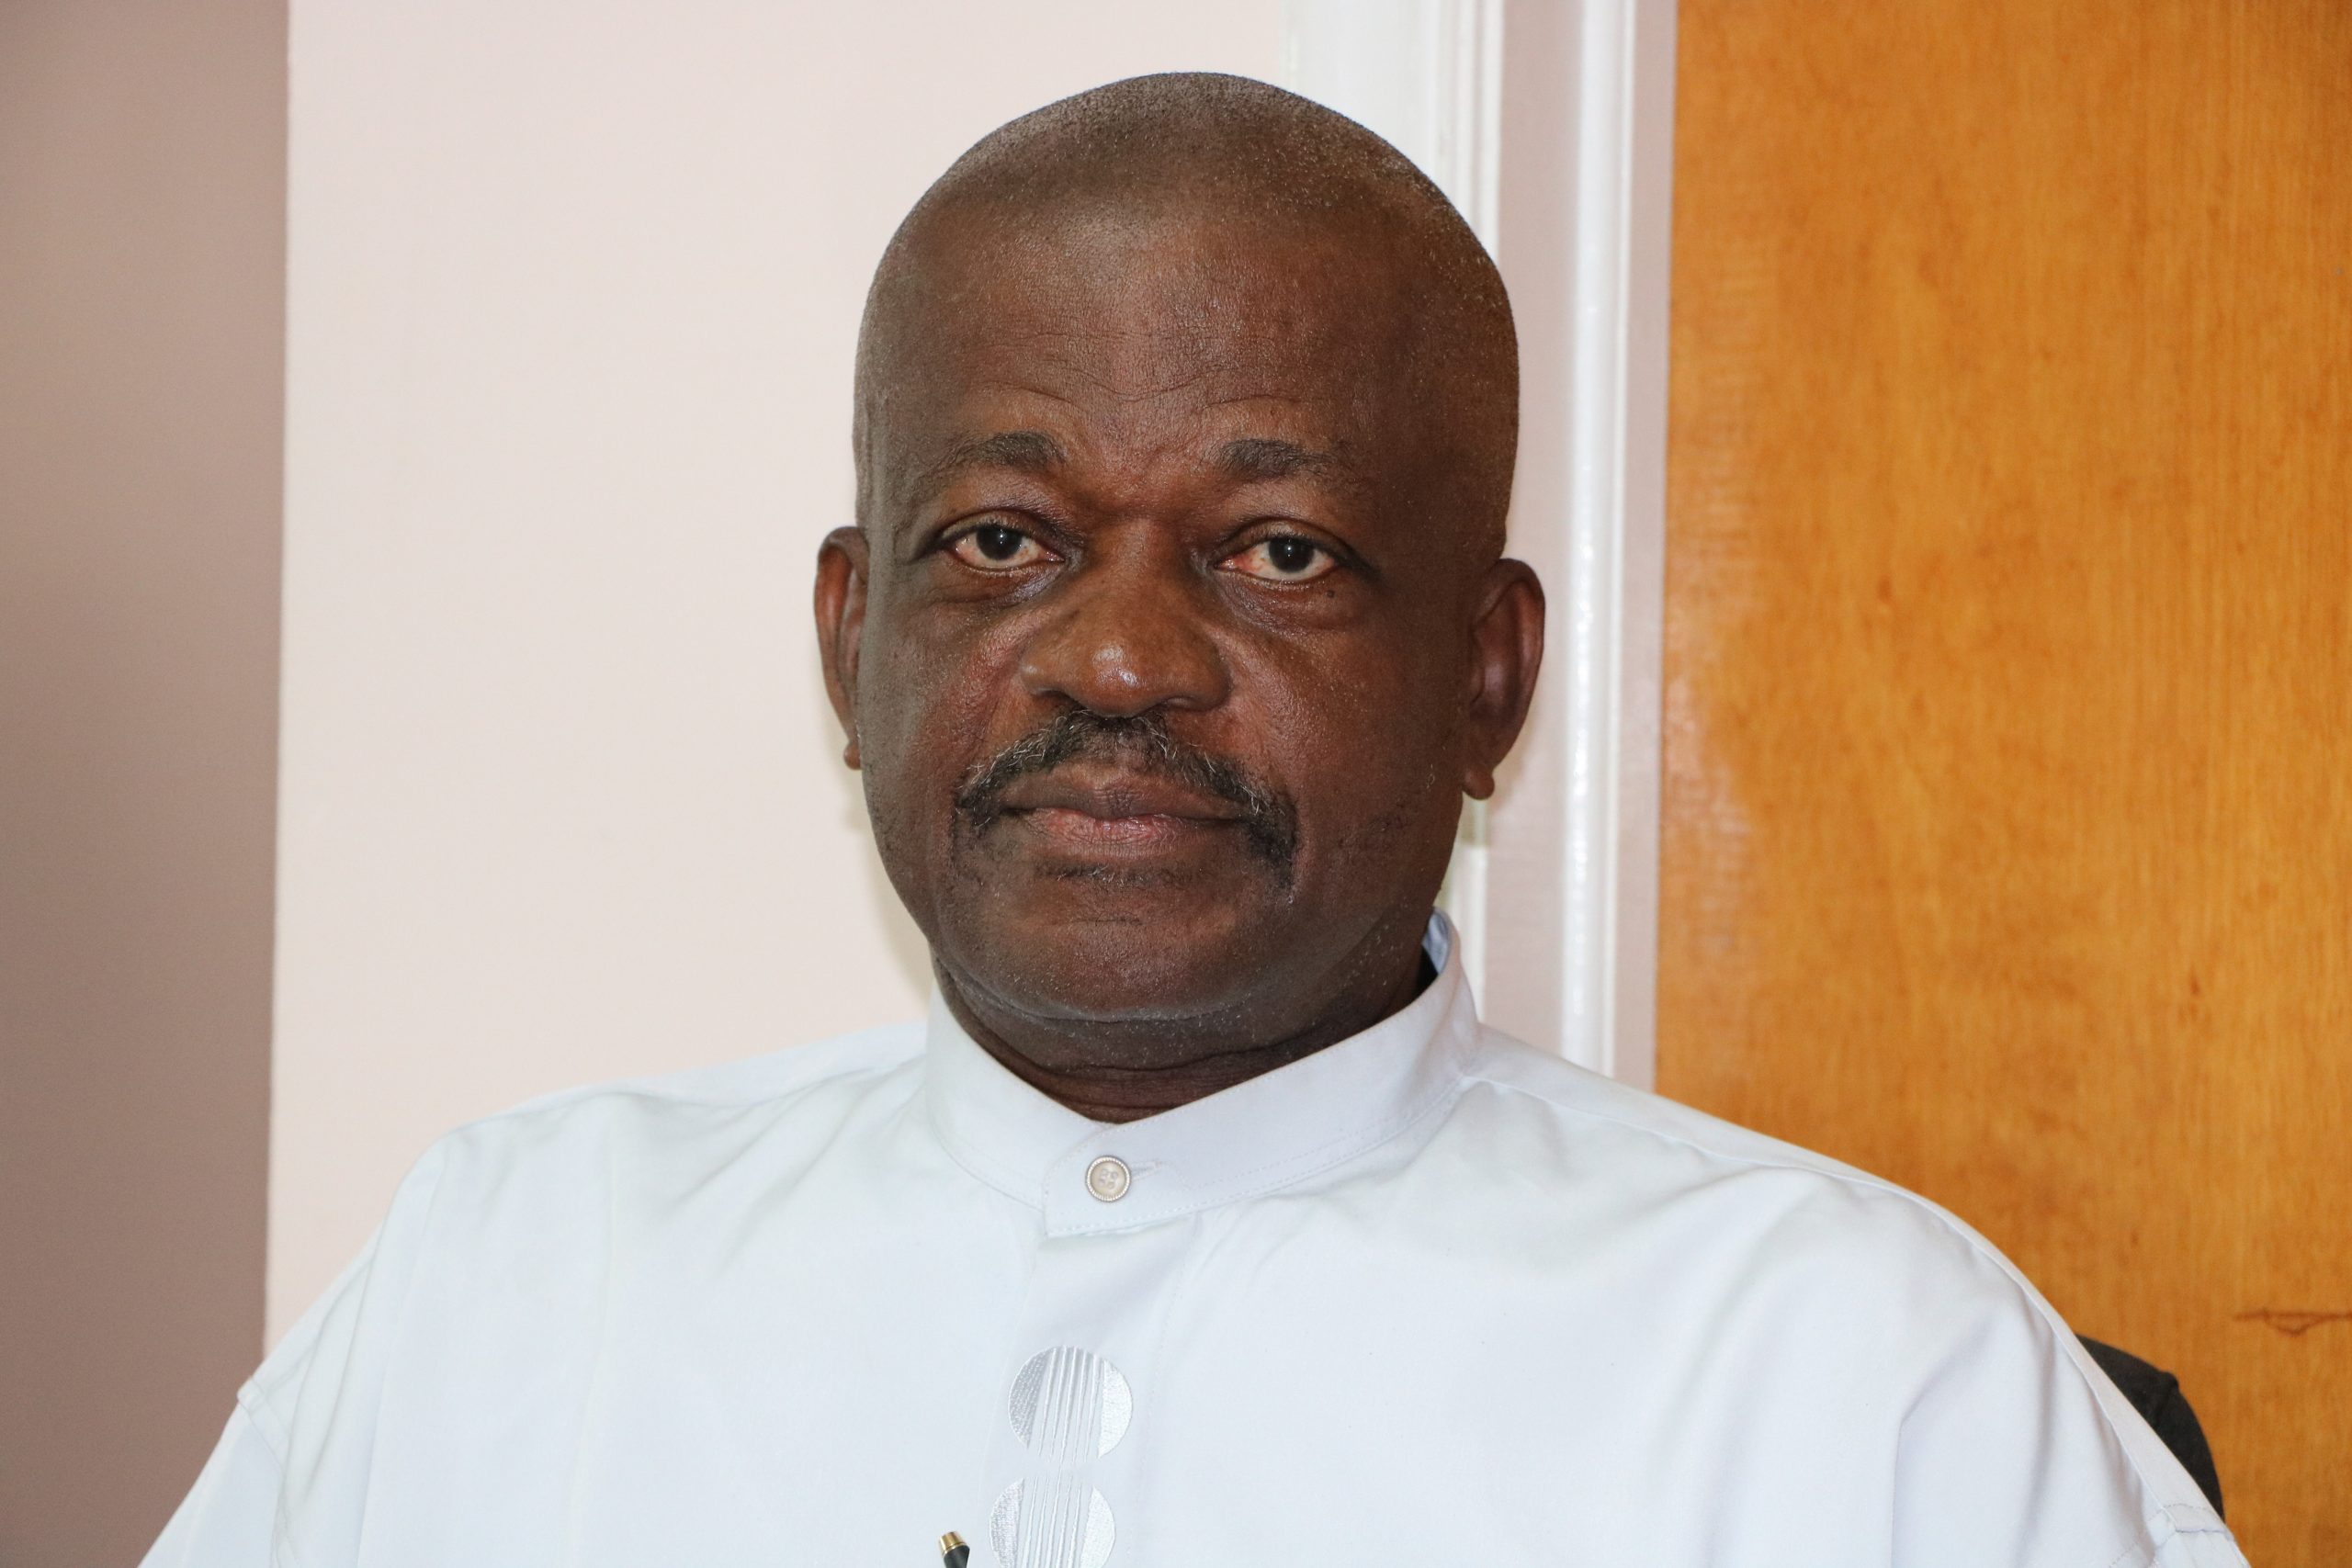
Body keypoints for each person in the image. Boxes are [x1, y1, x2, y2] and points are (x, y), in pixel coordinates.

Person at [143, 73, 2243, 1568]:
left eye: (1277, 552)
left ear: (1487, 673)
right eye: (1002, 537)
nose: (1119, 656)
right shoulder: (515, 1271)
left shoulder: (1853, 1370)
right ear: (852, 638)